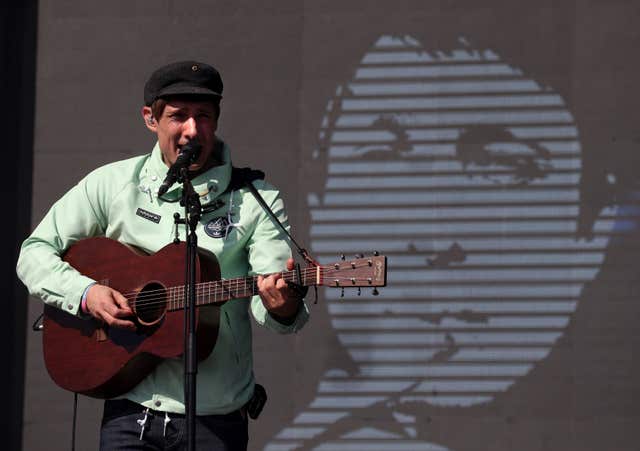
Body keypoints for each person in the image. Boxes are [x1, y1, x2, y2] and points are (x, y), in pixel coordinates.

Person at [16, 60, 309, 450]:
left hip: (214, 416)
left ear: (217, 121)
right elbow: (35, 253)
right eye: (178, 116)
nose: (192, 130)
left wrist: (282, 304)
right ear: (150, 119)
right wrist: (86, 293)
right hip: (128, 407)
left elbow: (271, 300)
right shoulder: (114, 184)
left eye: (203, 117)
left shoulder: (255, 198)